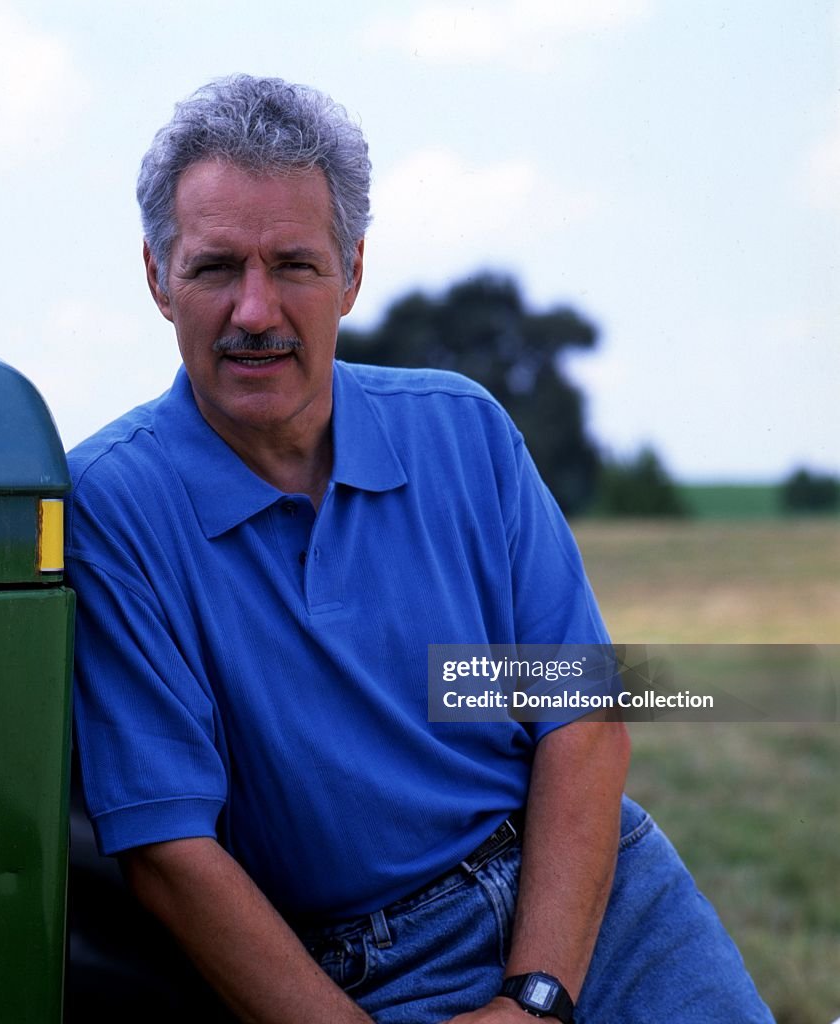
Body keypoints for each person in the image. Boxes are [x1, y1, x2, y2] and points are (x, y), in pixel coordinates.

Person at [66, 74, 775, 1023]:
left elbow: (585, 719)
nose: (255, 311)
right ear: (157, 276)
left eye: (295, 265)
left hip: (595, 904)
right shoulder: (114, 507)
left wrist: (534, 999)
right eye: (214, 268)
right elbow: (169, 857)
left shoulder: (462, 430)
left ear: (353, 273)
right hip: (368, 971)